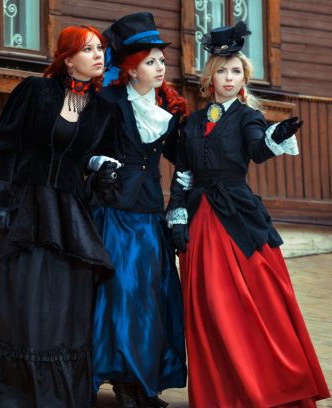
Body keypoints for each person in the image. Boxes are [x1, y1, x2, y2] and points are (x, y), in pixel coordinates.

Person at [166, 21, 331, 407]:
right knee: (207, 308)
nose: (228, 77)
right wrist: (176, 215)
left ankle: (269, 385)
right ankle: (221, 392)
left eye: (235, 70)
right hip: (199, 221)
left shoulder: (248, 117)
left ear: (244, 77)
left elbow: (257, 152)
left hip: (237, 218)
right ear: (210, 77)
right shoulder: (191, 122)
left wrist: (278, 136)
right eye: (221, 70)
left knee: (249, 303)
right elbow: (184, 174)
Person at [0, 25, 120, 407]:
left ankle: (61, 397)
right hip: (25, 210)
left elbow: (93, 161)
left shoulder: (102, 109)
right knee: (23, 304)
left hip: (70, 217)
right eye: (89, 49)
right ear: (68, 58)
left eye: (101, 48)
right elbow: (6, 147)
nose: (99, 55)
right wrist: (0, 201)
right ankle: (19, 397)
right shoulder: (36, 91)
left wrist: (101, 168)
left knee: (65, 308)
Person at [87, 12, 189, 408]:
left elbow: (182, 157)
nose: (160, 67)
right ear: (130, 69)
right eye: (150, 61)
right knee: (121, 299)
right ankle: (122, 381)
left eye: (161, 60)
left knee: (151, 303)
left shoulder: (168, 106)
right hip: (113, 214)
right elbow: (86, 148)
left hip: (149, 215)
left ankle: (145, 383)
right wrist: (99, 165)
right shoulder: (109, 101)